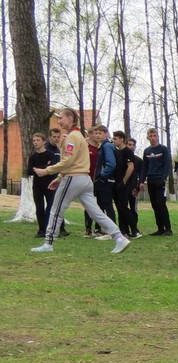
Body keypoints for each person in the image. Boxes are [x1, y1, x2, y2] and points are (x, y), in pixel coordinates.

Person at [31, 108, 131, 255]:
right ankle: (119, 237)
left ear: (70, 119)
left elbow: (67, 161)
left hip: (73, 178)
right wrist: (59, 178)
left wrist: (46, 171)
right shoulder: (79, 137)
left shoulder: (72, 137)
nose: (59, 121)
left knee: (56, 210)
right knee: (96, 212)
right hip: (85, 179)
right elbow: (75, 161)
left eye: (61, 118)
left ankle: (48, 243)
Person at [142, 127, 173, 235]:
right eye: (151, 136)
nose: (153, 138)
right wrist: (141, 181)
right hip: (150, 180)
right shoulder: (147, 151)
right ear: (147, 137)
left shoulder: (163, 149)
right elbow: (144, 167)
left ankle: (168, 229)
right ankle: (160, 229)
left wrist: (163, 178)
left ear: (158, 137)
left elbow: (168, 165)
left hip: (160, 181)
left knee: (161, 204)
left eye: (155, 136)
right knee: (154, 205)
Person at [110, 131, 140, 239]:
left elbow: (130, 167)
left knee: (123, 207)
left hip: (125, 184)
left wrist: (124, 181)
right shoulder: (117, 152)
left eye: (115, 139)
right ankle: (124, 231)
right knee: (119, 207)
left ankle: (135, 230)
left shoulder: (128, 152)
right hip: (117, 183)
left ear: (121, 139)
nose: (113, 141)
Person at [27, 132, 56, 239]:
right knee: (39, 207)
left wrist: (40, 169)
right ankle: (41, 230)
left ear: (44, 142)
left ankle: (49, 228)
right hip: (37, 185)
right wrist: (43, 168)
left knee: (50, 206)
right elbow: (29, 171)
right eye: (34, 140)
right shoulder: (33, 156)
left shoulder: (50, 154)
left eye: (38, 140)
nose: (35, 142)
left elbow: (52, 167)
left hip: (49, 184)